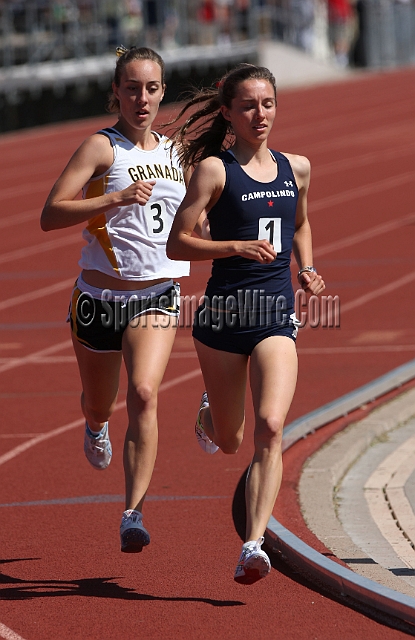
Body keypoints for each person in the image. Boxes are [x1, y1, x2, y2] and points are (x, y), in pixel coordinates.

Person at [166, 63, 325, 584]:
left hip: (276, 315)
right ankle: (208, 415)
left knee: (271, 427)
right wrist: (233, 246)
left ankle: (253, 544)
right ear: (229, 113)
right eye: (249, 105)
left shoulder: (295, 167)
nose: (261, 114)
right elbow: (177, 242)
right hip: (222, 319)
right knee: (230, 440)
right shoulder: (214, 170)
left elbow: (299, 221)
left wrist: (306, 268)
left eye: (268, 104)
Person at [41, 46, 199, 554]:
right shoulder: (101, 148)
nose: (142, 98)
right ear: (116, 92)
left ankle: (133, 512)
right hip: (98, 299)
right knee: (100, 400)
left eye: (152, 88)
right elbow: (51, 214)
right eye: (132, 88)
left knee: (146, 394)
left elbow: (192, 220)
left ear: (162, 92)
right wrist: (113, 196)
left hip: (157, 294)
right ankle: (94, 423)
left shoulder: (178, 153)